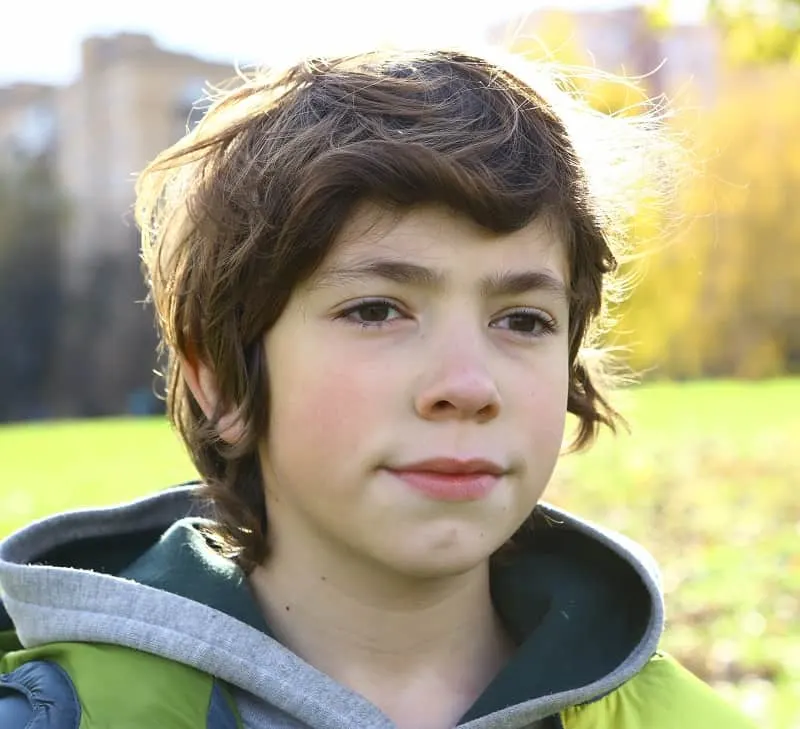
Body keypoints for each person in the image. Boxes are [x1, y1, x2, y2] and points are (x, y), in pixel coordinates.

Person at [0, 46, 756, 728]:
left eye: (523, 319)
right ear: (221, 383)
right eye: (376, 310)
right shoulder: (69, 714)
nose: (466, 385)